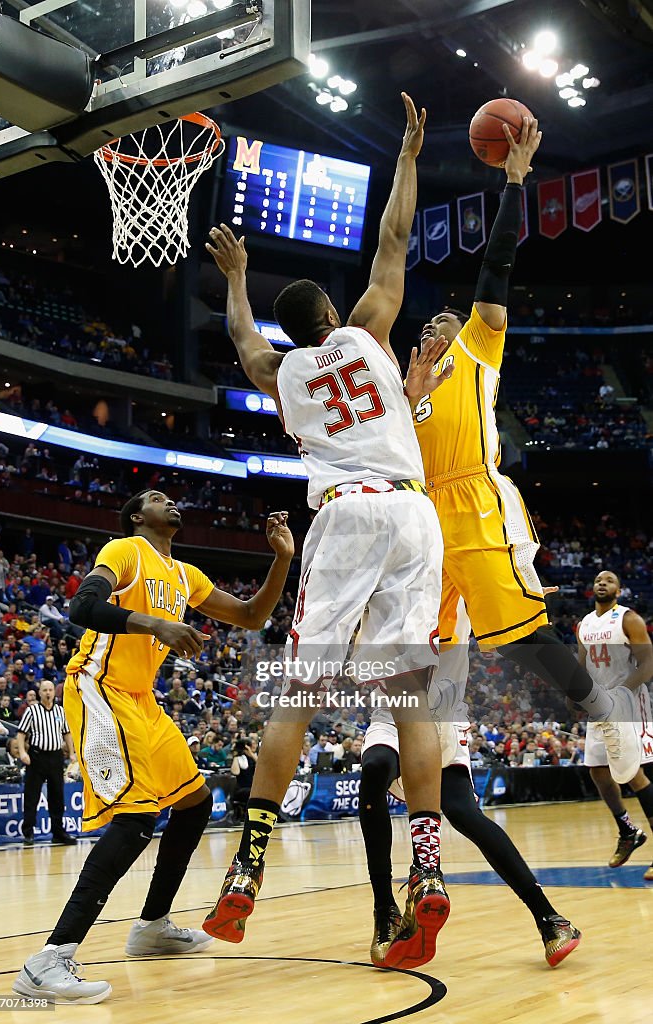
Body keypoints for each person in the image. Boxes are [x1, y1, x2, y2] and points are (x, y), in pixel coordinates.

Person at [202, 93, 453, 970]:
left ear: (288, 332)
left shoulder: (279, 370)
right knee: (407, 695)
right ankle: (428, 873)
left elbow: (240, 340)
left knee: (298, 696)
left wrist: (236, 275)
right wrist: (409, 153)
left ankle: (248, 868)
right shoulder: (371, 329)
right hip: (414, 513)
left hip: (346, 515)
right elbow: (391, 240)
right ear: (334, 315)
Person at [408, 116, 641, 783]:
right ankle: (428, 769)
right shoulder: (407, 384)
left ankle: (603, 708)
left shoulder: (477, 347)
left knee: (515, 635)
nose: (433, 323)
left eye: (442, 318)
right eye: (427, 322)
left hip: (474, 498)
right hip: (422, 522)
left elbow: (496, 265)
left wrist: (513, 182)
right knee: (430, 650)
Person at [13, 490, 294, 1004]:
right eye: (159, 498)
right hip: (99, 688)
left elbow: (253, 617)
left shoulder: (186, 575)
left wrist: (282, 559)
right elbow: (82, 605)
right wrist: (154, 622)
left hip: (143, 701)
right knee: (137, 819)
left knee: (195, 802)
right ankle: (48, 959)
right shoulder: (125, 551)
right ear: (139, 516)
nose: (173, 503)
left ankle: (152, 927)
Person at [359, 599, 581, 968]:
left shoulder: (461, 576)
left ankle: (550, 919)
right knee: (375, 769)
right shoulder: (385, 577)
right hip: (393, 708)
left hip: (444, 718)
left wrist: (520, 587)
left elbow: (509, 620)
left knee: (463, 812)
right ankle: (386, 913)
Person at [577, 570, 653, 880]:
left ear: (619, 591)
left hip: (628, 703)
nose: (601, 583)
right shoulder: (584, 624)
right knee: (597, 770)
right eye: (597, 580)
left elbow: (648, 664)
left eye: (609, 580)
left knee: (633, 773)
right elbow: (581, 667)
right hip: (599, 704)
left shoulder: (629, 619)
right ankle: (627, 830)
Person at [16, 680, 77, 847]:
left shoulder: (60, 711)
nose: (48, 693)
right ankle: (28, 833)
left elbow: (67, 734)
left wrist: (71, 753)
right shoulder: (32, 711)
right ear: (40, 692)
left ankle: (58, 833)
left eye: (50, 690)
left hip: (56, 757)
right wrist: (22, 752)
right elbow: (21, 734)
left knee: (57, 796)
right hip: (37, 756)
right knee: (32, 796)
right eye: (45, 690)